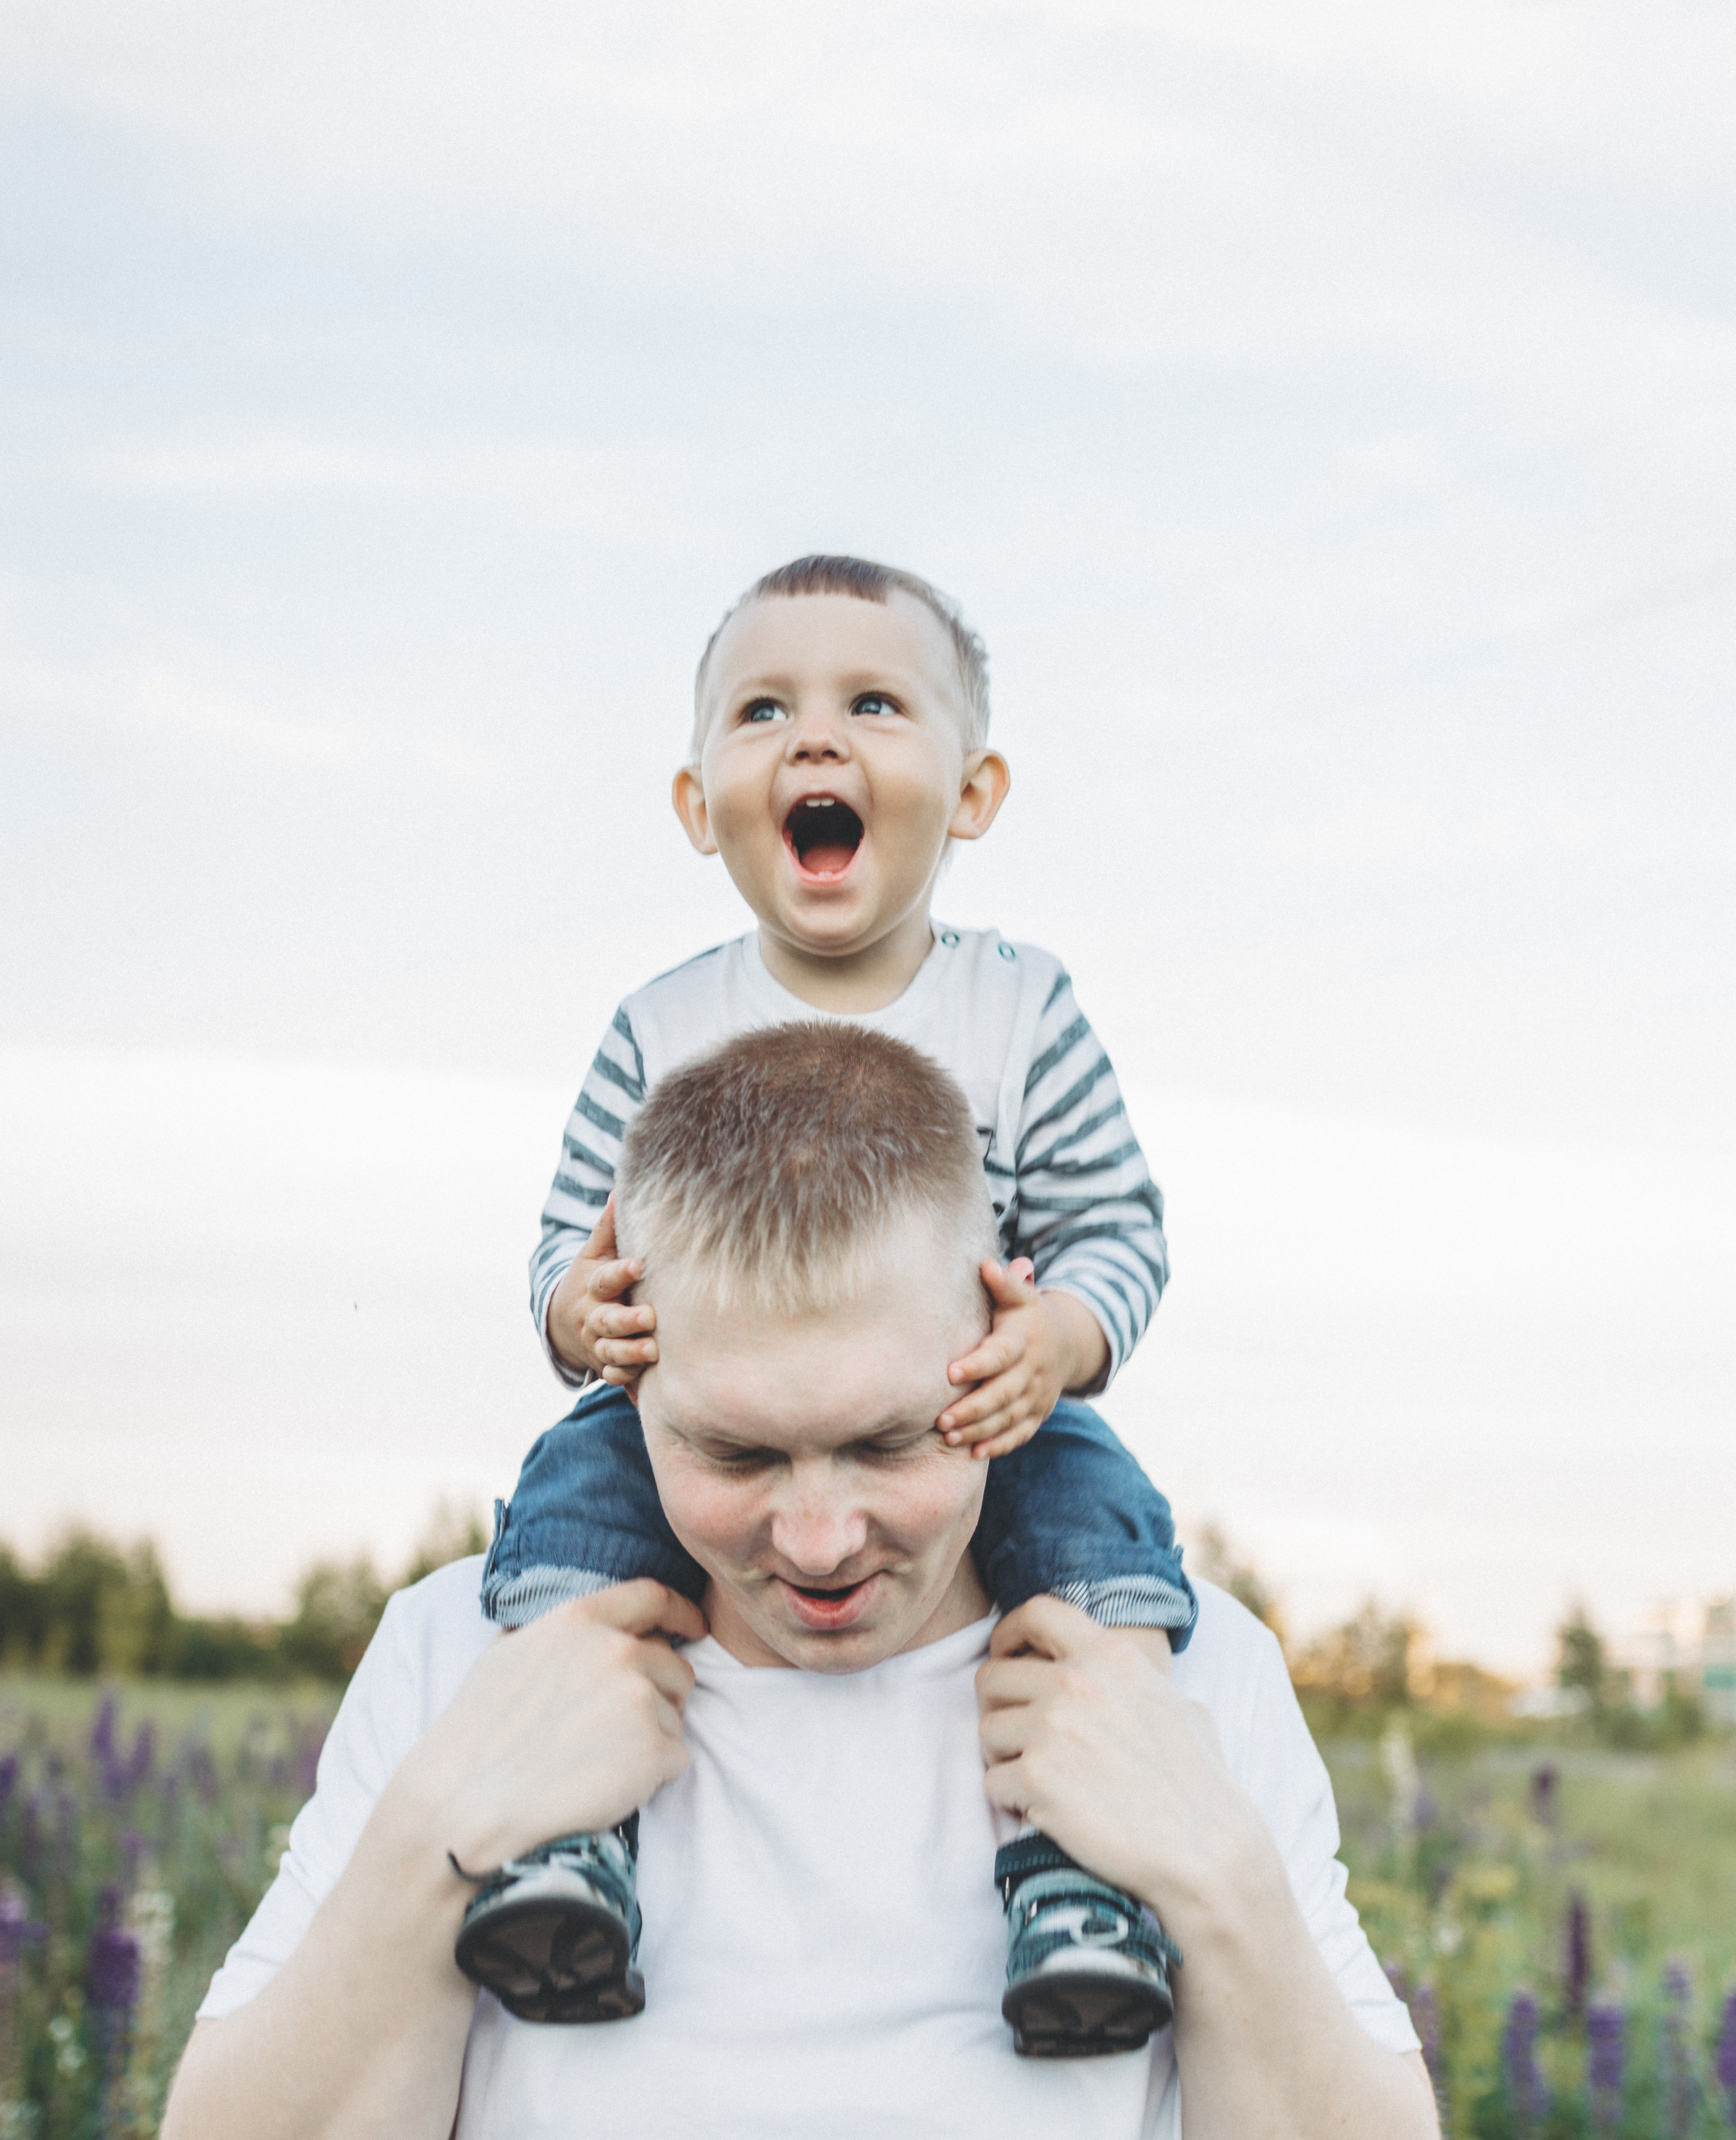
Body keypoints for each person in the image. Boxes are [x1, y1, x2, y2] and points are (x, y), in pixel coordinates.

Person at [159, 1024, 1441, 2140]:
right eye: (738, 1456)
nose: (821, 1538)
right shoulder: (459, 1655)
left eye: (893, 1444)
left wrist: (1206, 1870)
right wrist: (438, 1833)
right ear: (628, 1373)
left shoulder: (1177, 1679)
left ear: (1000, 1346)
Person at [462, 551, 1193, 2039]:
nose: (814, 740)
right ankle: (565, 1837)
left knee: (1095, 1537)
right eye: (762, 710)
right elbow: (566, 1236)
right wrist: (577, 1313)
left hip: (956, 1402)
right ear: (695, 806)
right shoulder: (664, 1022)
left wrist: (1054, 1340)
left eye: (871, 701)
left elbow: (1117, 1225)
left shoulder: (1017, 1008)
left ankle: (1078, 1878)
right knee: (570, 1514)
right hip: (704, 1400)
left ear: (972, 791)